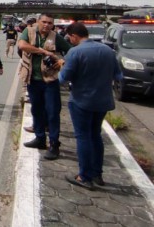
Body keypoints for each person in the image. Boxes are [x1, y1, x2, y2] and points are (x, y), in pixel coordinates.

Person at [57, 22, 123, 189]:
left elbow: (63, 79)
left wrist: (61, 67)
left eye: (69, 38)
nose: (69, 41)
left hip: (81, 101)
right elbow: (118, 75)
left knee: (83, 137)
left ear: (74, 36)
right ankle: (97, 174)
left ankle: (84, 176)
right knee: (95, 135)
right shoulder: (108, 50)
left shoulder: (75, 52)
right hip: (103, 101)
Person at [18, 13, 72, 160]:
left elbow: (71, 51)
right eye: (44, 22)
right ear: (38, 22)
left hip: (50, 80)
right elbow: (22, 45)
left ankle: (54, 144)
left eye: (50, 23)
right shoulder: (28, 32)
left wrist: (62, 61)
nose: (46, 25)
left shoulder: (56, 37)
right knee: (36, 110)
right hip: (32, 79)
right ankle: (40, 138)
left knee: (53, 112)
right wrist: (42, 51)